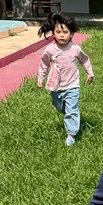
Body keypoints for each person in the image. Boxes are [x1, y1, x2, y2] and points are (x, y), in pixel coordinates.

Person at [37, 13, 93, 147]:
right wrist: (40, 78)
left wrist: (90, 73)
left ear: (71, 34)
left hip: (72, 85)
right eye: (58, 32)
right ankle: (71, 113)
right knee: (59, 107)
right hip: (55, 86)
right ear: (53, 33)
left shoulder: (75, 49)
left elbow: (84, 60)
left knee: (71, 110)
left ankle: (71, 134)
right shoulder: (50, 50)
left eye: (65, 32)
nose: (62, 35)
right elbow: (44, 64)